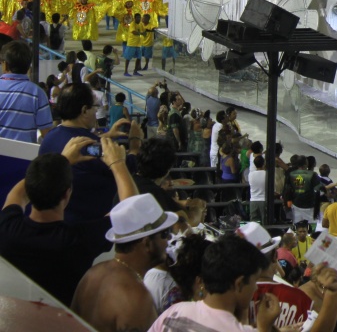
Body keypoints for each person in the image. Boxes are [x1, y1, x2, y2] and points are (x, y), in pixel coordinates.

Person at [0, 136, 138, 305]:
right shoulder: (78, 240)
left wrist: (62, 161)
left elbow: (17, 194)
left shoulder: (7, 228)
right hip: (60, 318)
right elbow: (130, 209)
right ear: (67, 193)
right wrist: (118, 164)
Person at [71, 193, 177, 332]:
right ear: (147, 243)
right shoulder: (136, 295)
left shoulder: (92, 274)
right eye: (165, 233)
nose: (169, 239)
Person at [40, 82, 143, 223]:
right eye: (95, 107)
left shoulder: (50, 137)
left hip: (63, 218)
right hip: (89, 224)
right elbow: (125, 168)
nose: (96, 112)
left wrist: (105, 136)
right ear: (84, 110)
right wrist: (135, 144)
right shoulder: (91, 147)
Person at [148, 233, 283, 332]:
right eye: (254, 281)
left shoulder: (174, 312)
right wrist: (264, 328)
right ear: (239, 283)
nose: (255, 288)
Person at [0, 40, 52, 143]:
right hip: (24, 152)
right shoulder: (37, 93)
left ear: (5, 65)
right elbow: (46, 133)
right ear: (29, 66)